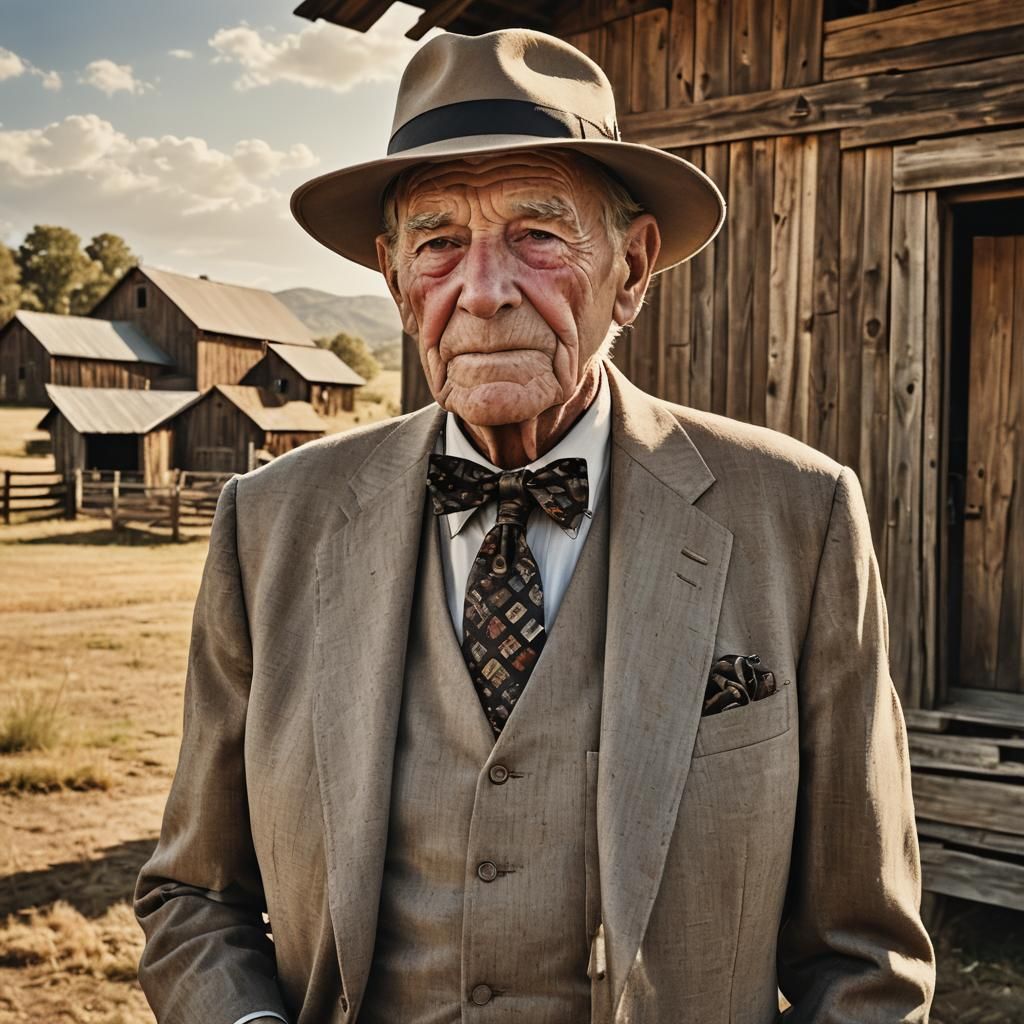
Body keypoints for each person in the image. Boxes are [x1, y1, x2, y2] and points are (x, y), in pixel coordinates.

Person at [134, 27, 936, 1024]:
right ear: (394, 279)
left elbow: (866, 960)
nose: (483, 290)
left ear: (631, 268)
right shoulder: (270, 523)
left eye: (537, 234)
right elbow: (194, 896)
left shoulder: (798, 517)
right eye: (438, 243)